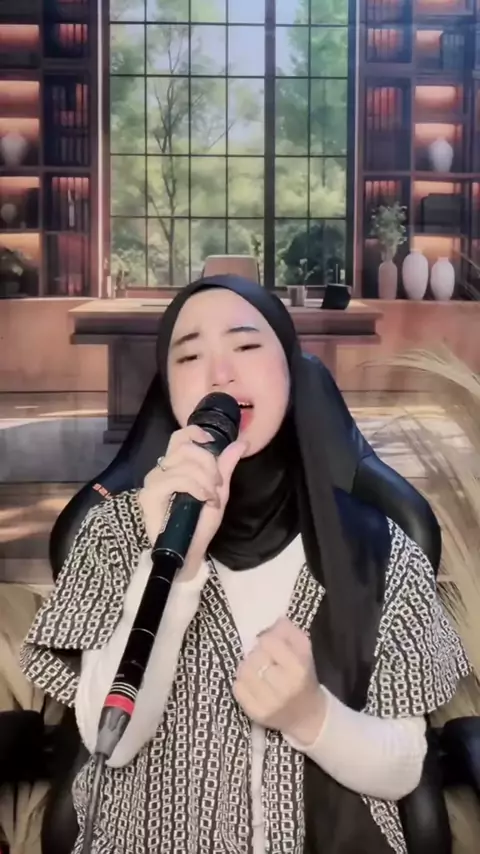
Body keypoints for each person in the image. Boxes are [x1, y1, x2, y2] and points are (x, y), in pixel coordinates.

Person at [20, 276, 470, 854]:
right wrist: (175, 565)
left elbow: (405, 767)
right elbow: (113, 743)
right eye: (189, 357)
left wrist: (312, 716)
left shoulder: (382, 547)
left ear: (291, 371)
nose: (220, 374)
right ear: (169, 391)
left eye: (247, 345)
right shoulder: (110, 531)